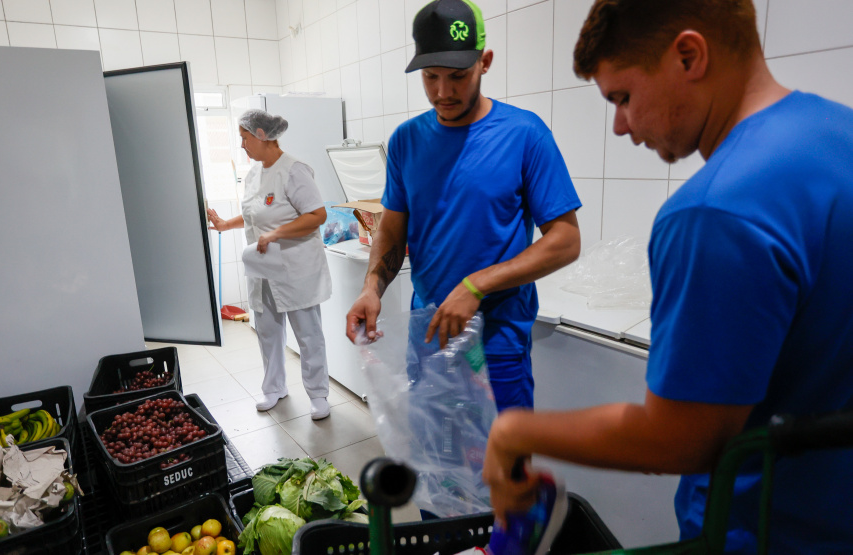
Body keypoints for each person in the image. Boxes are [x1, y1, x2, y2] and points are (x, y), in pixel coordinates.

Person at [482, 0, 853, 552]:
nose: (620, 126)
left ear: (688, 54)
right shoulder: (837, 132)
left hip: (769, 528)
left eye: (623, 98)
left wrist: (513, 432)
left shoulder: (714, 213)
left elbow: (682, 439)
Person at [345, 0, 582, 414]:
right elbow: (393, 229)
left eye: (457, 76)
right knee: (437, 468)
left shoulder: (524, 134)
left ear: (484, 62)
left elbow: (565, 241)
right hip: (430, 334)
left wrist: (477, 285)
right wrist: (371, 288)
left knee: (502, 470)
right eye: (430, 76)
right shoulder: (406, 141)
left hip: (498, 342)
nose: (442, 91)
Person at [207, 109, 333, 421]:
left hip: (295, 268)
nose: (242, 144)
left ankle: (318, 395)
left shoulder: (294, 170)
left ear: (262, 135)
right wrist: (224, 224)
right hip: (263, 269)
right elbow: (253, 216)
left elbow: (317, 215)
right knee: (267, 331)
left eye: (244, 137)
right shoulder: (254, 173)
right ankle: (274, 387)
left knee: (308, 335)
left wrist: (276, 233)